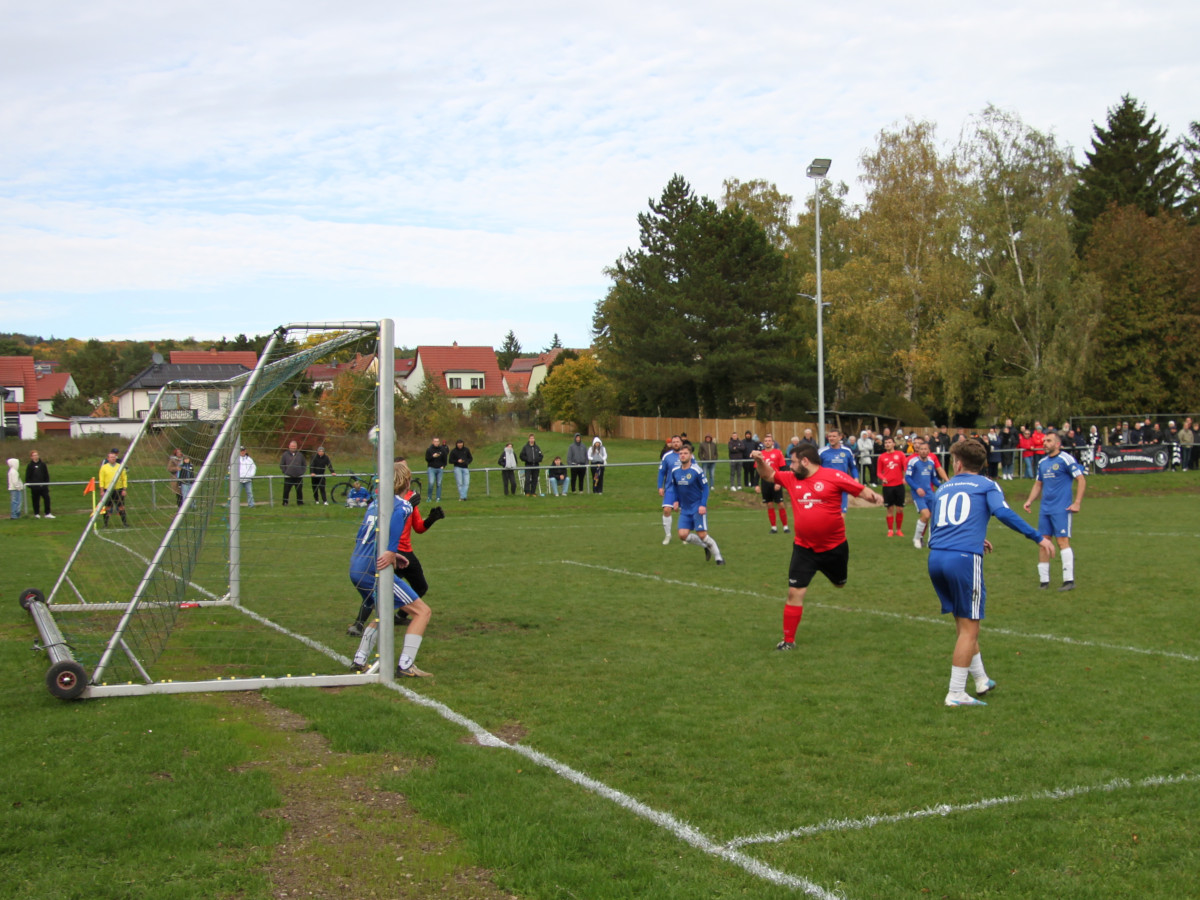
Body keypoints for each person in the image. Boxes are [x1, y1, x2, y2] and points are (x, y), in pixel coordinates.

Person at [929, 439, 1055, 707]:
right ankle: (956, 693)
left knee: (962, 621)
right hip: (963, 559)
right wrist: (1038, 537)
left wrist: (974, 537)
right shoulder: (987, 484)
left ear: (958, 463)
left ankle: (981, 680)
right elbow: (1002, 513)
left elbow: (940, 524)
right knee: (970, 628)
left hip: (936, 557)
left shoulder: (943, 487)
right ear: (983, 464)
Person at [753, 445, 882, 650]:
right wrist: (760, 460)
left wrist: (873, 496)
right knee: (794, 592)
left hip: (834, 548)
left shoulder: (833, 476)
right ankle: (788, 641)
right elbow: (768, 475)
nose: (790, 466)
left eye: (794, 462)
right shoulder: (791, 478)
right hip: (804, 549)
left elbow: (860, 490)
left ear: (805, 461)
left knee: (840, 584)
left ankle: (836, 577)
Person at [347, 462, 437, 677]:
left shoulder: (376, 503)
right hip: (373, 569)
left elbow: (368, 535)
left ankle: (359, 660)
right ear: (407, 481)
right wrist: (391, 551)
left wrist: (392, 554)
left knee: (384, 612)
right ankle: (406, 666)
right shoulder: (402, 505)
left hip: (357, 565)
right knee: (422, 612)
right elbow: (397, 520)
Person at [1023, 430, 1087, 592]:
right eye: (1044, 441)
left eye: (1049, 441)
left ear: (1058, 444)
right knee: (1043, 542)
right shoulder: (1042, 463)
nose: (1045, 443)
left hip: (1061, 508)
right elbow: (1038, 484)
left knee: (1062, 542)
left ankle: (1068, 580)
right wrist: (1030, 500)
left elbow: (1081, 479)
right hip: (1045, 509)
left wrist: (1077, 503)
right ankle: (1044, 581)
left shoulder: (1066, 459)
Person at [663, 445, 724, 564]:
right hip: (685, 508)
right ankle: (705, 546)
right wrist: (676, 500)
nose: (683, 455)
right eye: (681, 453)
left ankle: (719, 558)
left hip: (697, 507)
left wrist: (703, 505)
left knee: (702, 535)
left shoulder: (697, 470)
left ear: (690, 456)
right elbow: (675, 487)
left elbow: (705, 488)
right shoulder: (675, 471)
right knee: (682, 535)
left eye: (685, 453)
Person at [906, 439, 948, 549]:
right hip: (918, 494)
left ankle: (931, 540)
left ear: (929, 451)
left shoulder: (931, 462)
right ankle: (916, 538)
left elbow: (933, 478)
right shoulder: (913, 462)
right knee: (926, 515)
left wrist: (941, 486)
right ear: (918, 450)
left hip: (930, 493)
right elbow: (908, 477)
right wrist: (917, 488)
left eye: (925, 449)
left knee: (934, 516)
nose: (924, 451)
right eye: (921, 449)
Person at [818, 428, 858, 513]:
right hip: (827, 486)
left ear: (840, 437)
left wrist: (856, 478)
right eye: (830, 436)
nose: (831, 438)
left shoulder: (847, 451)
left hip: (842, 485)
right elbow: (815, 468)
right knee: (827, 512)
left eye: (834, 436)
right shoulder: (822, 452)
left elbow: (853, 467)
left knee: (842, 512)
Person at [876, 435, 908, 537]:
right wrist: (883, 478)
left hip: (899, 485)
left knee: (900, 509)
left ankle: (899, 530)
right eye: (886, 443)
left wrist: (905, 477)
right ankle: (890, 530)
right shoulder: (881, 457)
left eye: (889, 442)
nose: (887, 444)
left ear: (894, 444)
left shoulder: (900, 454)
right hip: (888, 486)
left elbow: (905, 468)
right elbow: (878, 472)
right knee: (889, 509)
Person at [759, 434, 789, 534]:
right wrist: (756, 484)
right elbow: (757, 469)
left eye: (769, 440)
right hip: (765, 482)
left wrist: (780, 482)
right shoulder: (760, 454)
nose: (767, 442)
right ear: (764, 443)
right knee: (769, 504)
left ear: (772, 442)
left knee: (780, 504)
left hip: (776, 480)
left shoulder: (778, 452)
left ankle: (785, 527)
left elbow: (783, 468)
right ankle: (774, 527)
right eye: (766, 441)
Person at [657, 435, 683, 545]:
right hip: (671, 488)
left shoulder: (688, 455)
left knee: (684, 511)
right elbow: (661, 472)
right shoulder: (667, 456)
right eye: (674, 442)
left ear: (681, 443)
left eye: (678, 441)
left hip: (685, 488)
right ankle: (668, 535)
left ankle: (685, 535)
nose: (676, 443)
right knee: (667, 510)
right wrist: (660, 487)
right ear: (671, 444)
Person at [98, 449, 128, 527]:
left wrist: (124, 489)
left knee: (121, 507)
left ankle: (125, 523)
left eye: (114, 457)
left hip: (118, 489)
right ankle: (105, 524)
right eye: (111, 457)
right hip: (107, 490)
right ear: (108, 459)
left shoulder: (120, 467)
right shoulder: (104, 468)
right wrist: (102, 491)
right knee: (107, 507)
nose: (113, 459)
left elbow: (124, 478)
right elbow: (101, 480)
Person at [25, 450, 54, 519]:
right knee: (35, 500)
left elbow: (46, 475)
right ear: (31, 457)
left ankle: (47, 513)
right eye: (34, 455)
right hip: (35, 487)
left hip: (43, 486)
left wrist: (46, 484)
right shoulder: (30, 466)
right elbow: (28, 477)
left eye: (37, 455)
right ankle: (36, 514)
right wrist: (31, 486)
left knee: (47, 499)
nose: (36, 456)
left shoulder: (43, 464)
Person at [280, 441, 306, 506]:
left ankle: (300, 503)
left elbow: (304, 464)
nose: (293, 447)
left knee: (299, 490)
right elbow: (282, 464)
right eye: (292, 446)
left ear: (296, 447)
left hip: (298, 476)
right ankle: (285, 502)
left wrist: (301, 472)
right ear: (289, 446)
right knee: (286, 490)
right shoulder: (285, 454)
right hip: (289, 477)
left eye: (294, 446)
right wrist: (285, 472)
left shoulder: (300, 455)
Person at [424, 437, 447, 503]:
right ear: (433, 442)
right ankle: (429, 497)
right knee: (431, 483)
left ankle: (438, 498)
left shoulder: (442, 449)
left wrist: (443, 466)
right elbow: (427, 459)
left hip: (440, 469)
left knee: (439, 484)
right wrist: (433, 456)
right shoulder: (429, 449)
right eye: (435, 441)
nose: (436, 443)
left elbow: (445, 458)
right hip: (431, 468)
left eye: (437, 441)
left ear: (439, 442)